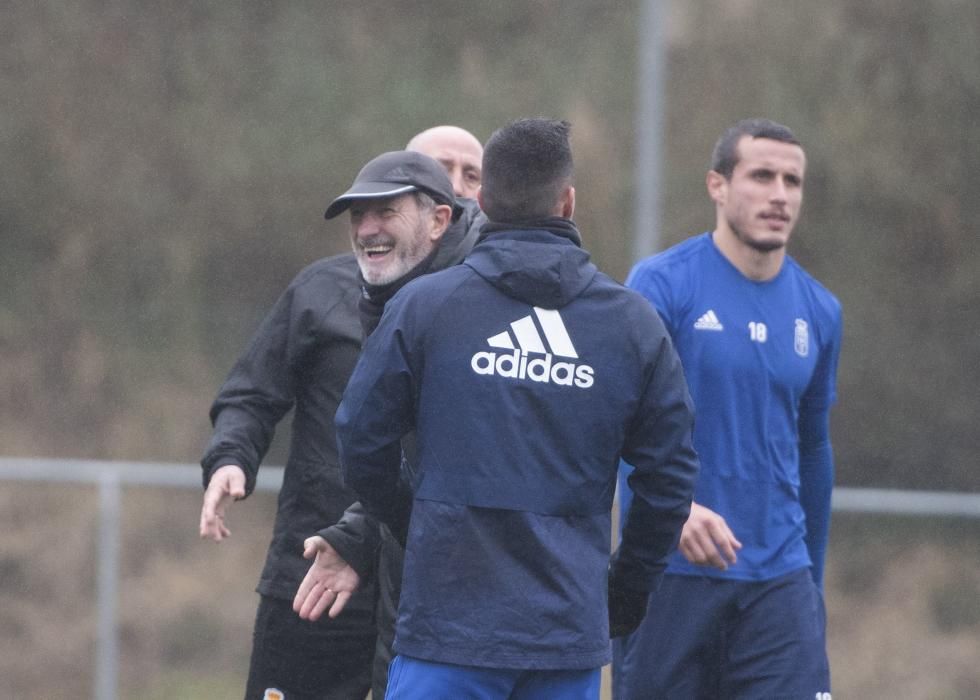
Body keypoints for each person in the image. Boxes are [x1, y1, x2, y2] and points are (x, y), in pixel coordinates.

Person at [296, 118, 699, 699]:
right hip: (566, 639)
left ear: (479, 202)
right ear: (568, 201)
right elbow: (669, 479)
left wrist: (417, 523)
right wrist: (624, 593)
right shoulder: (632, 326)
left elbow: (360, 437)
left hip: (447, 633)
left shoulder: (423, 308)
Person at [198, 126, 484, 700]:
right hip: (312, 572)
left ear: (440, 217)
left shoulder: (484, 308)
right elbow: (251, 392)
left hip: (430, 591)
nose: (455, 184)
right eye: (437, 167)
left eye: (471, 174)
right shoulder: (322, 290)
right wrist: (232, 455)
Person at [613, 118, 842, 699]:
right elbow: (617, 428)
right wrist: (673, 511)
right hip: (670, 580)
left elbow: (813, 448)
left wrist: (809, 585)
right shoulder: (661, 286)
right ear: (717, 185)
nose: (780, 195)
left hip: (779, 586)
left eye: (792, 181)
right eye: (762, 176)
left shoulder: (819, 310)